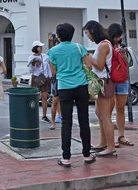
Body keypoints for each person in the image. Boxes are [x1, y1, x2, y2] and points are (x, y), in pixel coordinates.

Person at [48, 23, 95, 167]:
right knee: (84, 120)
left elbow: (53, 72)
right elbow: (89, 66)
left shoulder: (52, 51)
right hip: (81, 85)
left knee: (66, 122)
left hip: (64, 87)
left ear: (59, 36)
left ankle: (66, 158)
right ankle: (87, 154)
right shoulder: (79, 47)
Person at [83, 20, 116, 158]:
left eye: (87, 33)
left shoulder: (103, 46)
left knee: (105, 115)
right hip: (103, 81)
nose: (87, 36)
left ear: (92, 30)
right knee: (100, 113)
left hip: (103, 81)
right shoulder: (105, 44)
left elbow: (100, 66)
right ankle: (103, 142)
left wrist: (89, 59)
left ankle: (110, 146)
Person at [107, 23, 134, 148]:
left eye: (119, 36)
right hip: (111, 79)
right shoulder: (106, 46)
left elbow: (126, 65)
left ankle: (121, 135)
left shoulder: (122, 47)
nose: (118, 39)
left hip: (122, 79)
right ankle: (110, 138)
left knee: (121, 108)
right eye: (116, 36)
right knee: (109, 109)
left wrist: (123, 56)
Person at [28, 40, 52, 124]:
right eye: (39, 47)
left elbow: (48, 67)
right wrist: (34, 65)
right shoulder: (31, 57)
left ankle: (44, 116)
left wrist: (49, 76)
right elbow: (30, 70)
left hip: (44, 77)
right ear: (35, 48)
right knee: (35, 97)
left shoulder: (45, 56)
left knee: (45, 96)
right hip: (35, 77)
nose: (41, 48)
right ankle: (32, 114)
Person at [49, 37, 63, 130]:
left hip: (64, 79)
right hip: (56, 79)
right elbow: (52, 71)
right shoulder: (52, 53)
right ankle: (53, 122)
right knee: (55, 101)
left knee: (62, 101)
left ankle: (60, 116)